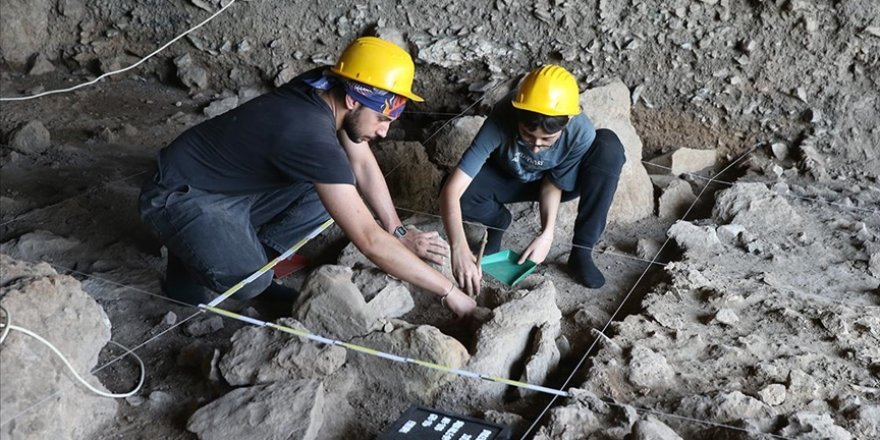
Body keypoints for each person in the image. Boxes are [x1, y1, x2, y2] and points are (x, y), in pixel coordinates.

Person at [139, 37, 477, 318]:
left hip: (229, 181)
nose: (385, 132)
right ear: (352, 100)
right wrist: (451, 294)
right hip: (179, 195)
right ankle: (191, 257)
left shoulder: (325, 85)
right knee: (251, 283)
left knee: (329, 190)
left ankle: (242, 250)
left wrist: (398, 231)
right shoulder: (308, 134)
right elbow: (369, 241)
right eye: (381, 119)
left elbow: (360, 162)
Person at [440, 65, 625, 295]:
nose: (536, 147)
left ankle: (581, 251)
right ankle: (497, 223)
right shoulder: (502, 116)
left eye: (547, 140)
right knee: (459, 193)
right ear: (517, 116)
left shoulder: (580, 131)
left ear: (566, 123)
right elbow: (452, 190)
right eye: (528, 135)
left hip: (551, 183)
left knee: (609, 147)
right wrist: (458, 247)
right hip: (508, 176)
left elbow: (554, 182)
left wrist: (547, 234)